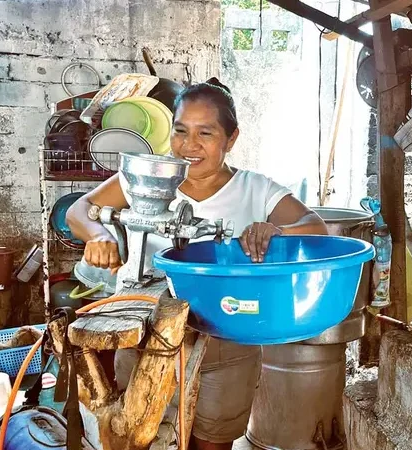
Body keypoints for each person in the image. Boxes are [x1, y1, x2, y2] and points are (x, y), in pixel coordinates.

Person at [66, 77, 328, 450]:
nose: (189, 146)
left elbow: (314, 227)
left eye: (205, 133)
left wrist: (274, 230)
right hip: (146, 335)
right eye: (180, 131)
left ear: (231, 138)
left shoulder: (256, 189)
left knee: (212, 443)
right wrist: (98, 234)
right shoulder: (147, 178)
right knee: (139, 435)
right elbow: (80, 209)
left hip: (227, 342)